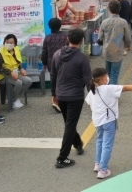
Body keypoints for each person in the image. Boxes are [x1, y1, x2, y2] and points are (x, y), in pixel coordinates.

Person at [85, 67, 132, 180]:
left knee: (100, 141)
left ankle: (97, 164)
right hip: (109, 120)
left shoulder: (92, 90)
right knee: (107, 145)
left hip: (97, 121)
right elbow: (125, 88)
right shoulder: (109, 88)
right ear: (102, 78)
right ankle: (103, 170)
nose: (107, 77)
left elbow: (90, 105)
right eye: (106, 76)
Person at [50, 28, 93, 169]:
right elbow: (88, 80)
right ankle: (62, 158)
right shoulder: (82, 58)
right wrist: (94, 98)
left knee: (69, 123)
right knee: (70, 124)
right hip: (75, 96)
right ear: (81, 41)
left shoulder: (57, 54)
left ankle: (77, 143)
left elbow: (53, 76)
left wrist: (54, 95)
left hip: (61, 94)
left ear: (68, 38)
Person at [98, 0, 132, 84]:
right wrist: (128, 46)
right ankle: (112, 94)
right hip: (118, 51)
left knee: (107, 74)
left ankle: (107, 91)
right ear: (119, 9)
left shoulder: (104, 22)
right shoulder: (123, 22)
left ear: (109, 9)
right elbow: (128, 38)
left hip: (107, 51)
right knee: (114, 74)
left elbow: (100, 38)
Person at [0, 33, 33, 109]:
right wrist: (10, 73)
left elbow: (17, 62)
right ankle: (12, 101)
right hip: (3, 76)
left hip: (15, 73)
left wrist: (21, 68)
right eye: (7, 42)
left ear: (15, 44)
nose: (9, 44)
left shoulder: (16, 50)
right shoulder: (0, 53)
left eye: (11, 43)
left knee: (28, 81)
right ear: (4, 42)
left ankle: (14, 99)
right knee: (18, 83)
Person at [41, 17, 67, 113]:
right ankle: (63, 101)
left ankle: (55, 101)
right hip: (64, 62)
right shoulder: (65, 36)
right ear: (60, 26)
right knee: (64, 81)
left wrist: (44, 63)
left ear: (49, 27)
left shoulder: (48, 38)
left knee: (54, 82)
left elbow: (44, 52)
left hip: (52, 63)